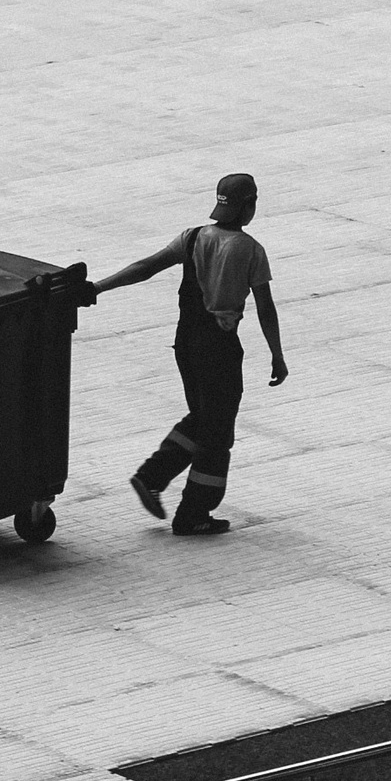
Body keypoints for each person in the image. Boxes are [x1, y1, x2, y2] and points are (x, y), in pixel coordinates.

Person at [93, 173, 288, 535]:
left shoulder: (193, 237)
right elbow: (266, 307)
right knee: (217, 433)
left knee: (202, 417)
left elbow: (145, 267)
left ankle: (153, 476)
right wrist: (277, 355)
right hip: (220, 347)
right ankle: (193, 513)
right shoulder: (250, 250)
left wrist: (100, 287)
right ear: (248, 206)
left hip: (187, 342)